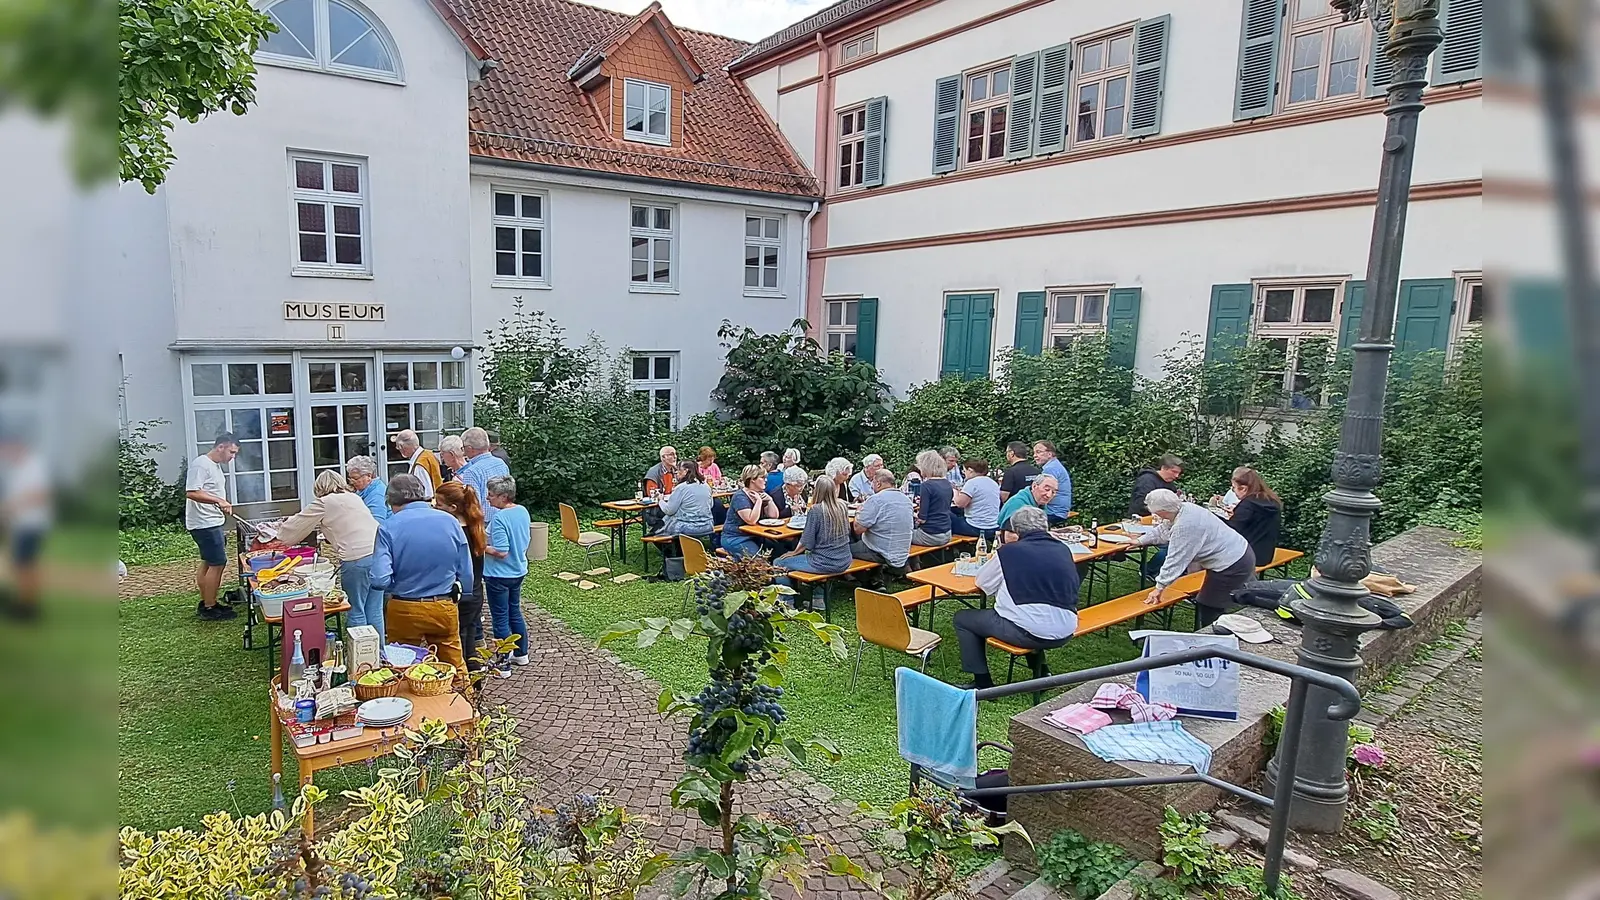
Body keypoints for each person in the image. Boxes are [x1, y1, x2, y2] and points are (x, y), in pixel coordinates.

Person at [953, 507, 1079, 689]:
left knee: (963, 619)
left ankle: (982, 682)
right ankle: (1043, 673)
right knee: (1030, 615)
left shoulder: (1009, 552)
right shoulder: (1062, 549)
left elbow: (983, 583)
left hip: (1028, 631)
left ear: (1017, 530)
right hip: (1066, 627)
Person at [370, 474, 474, 682]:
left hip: (404, 607)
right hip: (443, 604)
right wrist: (464, 593)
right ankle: (467, 707)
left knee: (402, 667)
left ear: (391, 501)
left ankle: (410, 709)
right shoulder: (450, 521)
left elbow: (379, 580)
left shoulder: (388, 527)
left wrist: (396, 585)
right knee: (455, 665)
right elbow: (467, 571)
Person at [275, 470, 384, 641]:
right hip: (379, 554)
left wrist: (278, 531)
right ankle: (379, 654)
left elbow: (293, 529)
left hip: (356, 559)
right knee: (374, 609)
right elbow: (350, 525)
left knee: (356, 608)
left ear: (319, 488)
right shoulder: (354, 497)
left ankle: (361, 656)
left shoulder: (324, 502)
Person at [1136, 489, 1255, 629]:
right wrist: (1140, 541)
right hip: (1236, 554)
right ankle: (1216, 632)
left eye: (1155, 512)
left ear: (1163, 510)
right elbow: (1165, 529)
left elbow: (1176, 559)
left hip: (1233, 562)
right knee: (1211, 600)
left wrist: (1159, 588)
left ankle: (1215, 637)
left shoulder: (1185, 525)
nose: (1154, 515)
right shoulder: (1184, 508)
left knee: (1209, 603)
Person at [433, 481, 487, 676]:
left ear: (453, 508)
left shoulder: (453, 532)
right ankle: (476, 678)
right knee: (470, 641)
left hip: (460, 593)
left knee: (457, 644)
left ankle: (462, 684)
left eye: (439, 504)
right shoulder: (474, 526)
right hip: (475, 591)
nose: (434, 507)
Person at [185, 433, 239, 620]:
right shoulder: (201, 464)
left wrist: (220, 504)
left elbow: (207, 492)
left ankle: (208, 601)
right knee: (218, 563)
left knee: (209, 562)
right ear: (221, 447)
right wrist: (218, 500)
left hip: (211, 521)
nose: (233, 457)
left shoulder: (214, 466)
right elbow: (192, 492)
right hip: (204, 524)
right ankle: (209, 608)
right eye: (231, 452)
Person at [483, 475, 532, 675]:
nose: (487, 498)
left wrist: (481, 547)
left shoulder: (500, 518)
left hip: (498, 575)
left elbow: (501, 551)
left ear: (503, 497)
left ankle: (503, 665)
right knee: (514, 612)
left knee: (500, 618)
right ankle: (521, 653)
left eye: (491, 495)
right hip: (518, 570)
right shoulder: (522, 511)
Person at [0, 437, 49, 620]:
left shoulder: (33, 466)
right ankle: (24, 603)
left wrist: (12, 505)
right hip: (20, 524)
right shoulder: (18, 468)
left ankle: (27, 607)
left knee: (25, 566)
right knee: (22, 566)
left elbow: (40, 494)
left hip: (31, 525)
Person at [774, 476, 852, 586]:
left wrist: (793, 553)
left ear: (817, 491)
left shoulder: (816, 510)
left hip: (824, 563)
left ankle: (786, 600)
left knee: (778, 563)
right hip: (844, 560)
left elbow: (807, 541)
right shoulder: (842, 506)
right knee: (804, 558)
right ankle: (818, 597)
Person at [852, 468, 913, 570]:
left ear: (878, 484)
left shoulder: (876, 500)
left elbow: (858, 529)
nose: (872, 486)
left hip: (882, 553)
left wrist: (859, 512)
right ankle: (877, 579)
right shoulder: (906, 499)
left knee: (845, 549)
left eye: (873, 482)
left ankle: (868, 580)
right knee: (868, 537)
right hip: (902, 551)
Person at [1224, 467, 1282, 569]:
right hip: (1266, 555)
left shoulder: (1247, 505)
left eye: (1234, 488)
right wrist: (1237, 513)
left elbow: (1230, 532)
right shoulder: (1271, 500)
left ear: (1243, 488)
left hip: (1248, 557)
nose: (1233, 491)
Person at [455, 427, 511, 526]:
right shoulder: (501, 463)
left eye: (463, 448)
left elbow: (473, 505)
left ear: (469, 448)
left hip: (484, 523)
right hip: (504, 517)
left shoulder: (471, 471)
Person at [723, 465, 781, 559]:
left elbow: (774, 516)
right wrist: (758, 502)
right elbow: (751, 521)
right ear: (752, 479)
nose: (766, 480)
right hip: (736, 538)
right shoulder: (740, 497)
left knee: (779, 550)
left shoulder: (761, 494)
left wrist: (770, 500)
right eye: (762, 478)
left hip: (757, 536)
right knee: (757, 558)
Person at [659, 460, 714, 542]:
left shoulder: (681, 488)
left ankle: (672, 553)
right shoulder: (706, 486)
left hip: (686, 528)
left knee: (657, 530)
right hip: (707, 525)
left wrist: (660, 500)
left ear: (686, 471)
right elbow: (711, 505)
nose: (677, 472)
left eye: (679, 470)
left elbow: (669, 510)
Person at [951, 458, 1001, 543]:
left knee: (946, 514)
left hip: (976, 528)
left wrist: (954, 492)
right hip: (993, 526)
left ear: (970, 470)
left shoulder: (972, 483)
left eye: (964, 471)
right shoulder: (993, 483)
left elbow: (960, 504)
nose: (964, 473)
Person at [911, 449, 953, 547]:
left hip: (931, 535)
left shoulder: (926, 485)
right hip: (947, 533)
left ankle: (910, 562)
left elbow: (922, 519)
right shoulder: (947, 484)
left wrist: (912, 513)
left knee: (901, 535)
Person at [997, 474, 1059, 539]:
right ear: (1034, 486)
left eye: (1053, 492)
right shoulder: (1018, 504)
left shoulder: (1040, 503)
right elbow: (1010, 536)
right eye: (1047, 489)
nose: (1049, 495)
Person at [1032, 441, 1074, 526]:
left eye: (1038, 452)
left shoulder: (1051, 469)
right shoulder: (1055, 465)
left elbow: (1041, 494)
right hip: (1060, 511)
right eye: (1034, 453)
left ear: (1049, 454)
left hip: (1054, 512)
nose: (1035, 455)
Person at [394, 429, 442, 500]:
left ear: (404, 447)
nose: (401, 451)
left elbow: (425, 493)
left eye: (400, 448)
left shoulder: (419, 464)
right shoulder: (428, 454)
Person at [345, 455, 388, 521]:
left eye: (355, 478)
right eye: (350, 478)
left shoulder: (377, 494)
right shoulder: (364, 489)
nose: (351, 482)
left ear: (369, 476)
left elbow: (377, 524)